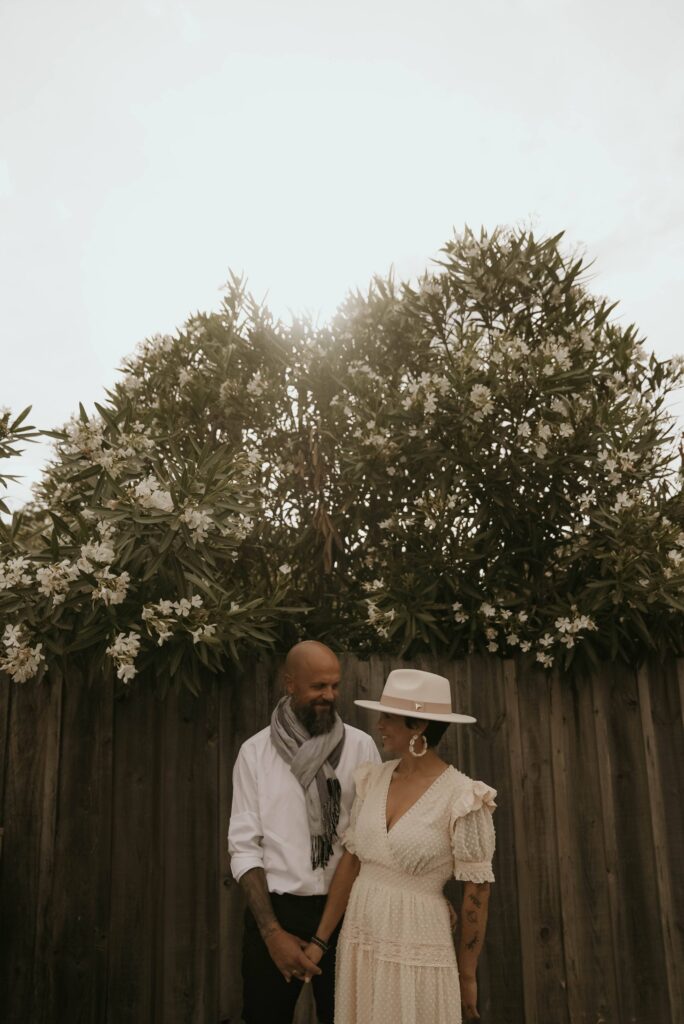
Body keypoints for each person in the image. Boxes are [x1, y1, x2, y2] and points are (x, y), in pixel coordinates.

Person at [301, 668, 496, 1024]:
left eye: (388, 717)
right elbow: (352, 863)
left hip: (418, 943)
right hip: (360, 938)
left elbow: (477, 893)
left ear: (418, 726)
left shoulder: (464, 797)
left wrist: (467, 975)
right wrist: (320, 940)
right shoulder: (373, 779)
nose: (379, 724)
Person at [228, 641, 381, 1024]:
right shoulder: (255, 753)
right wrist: (272, 933)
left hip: (347, 914)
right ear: (290, 683)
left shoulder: (361, 748)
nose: (329, 696)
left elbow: (371, 839)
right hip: (277, 913)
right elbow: (244, 848)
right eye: (318, 687)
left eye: (335, 685)